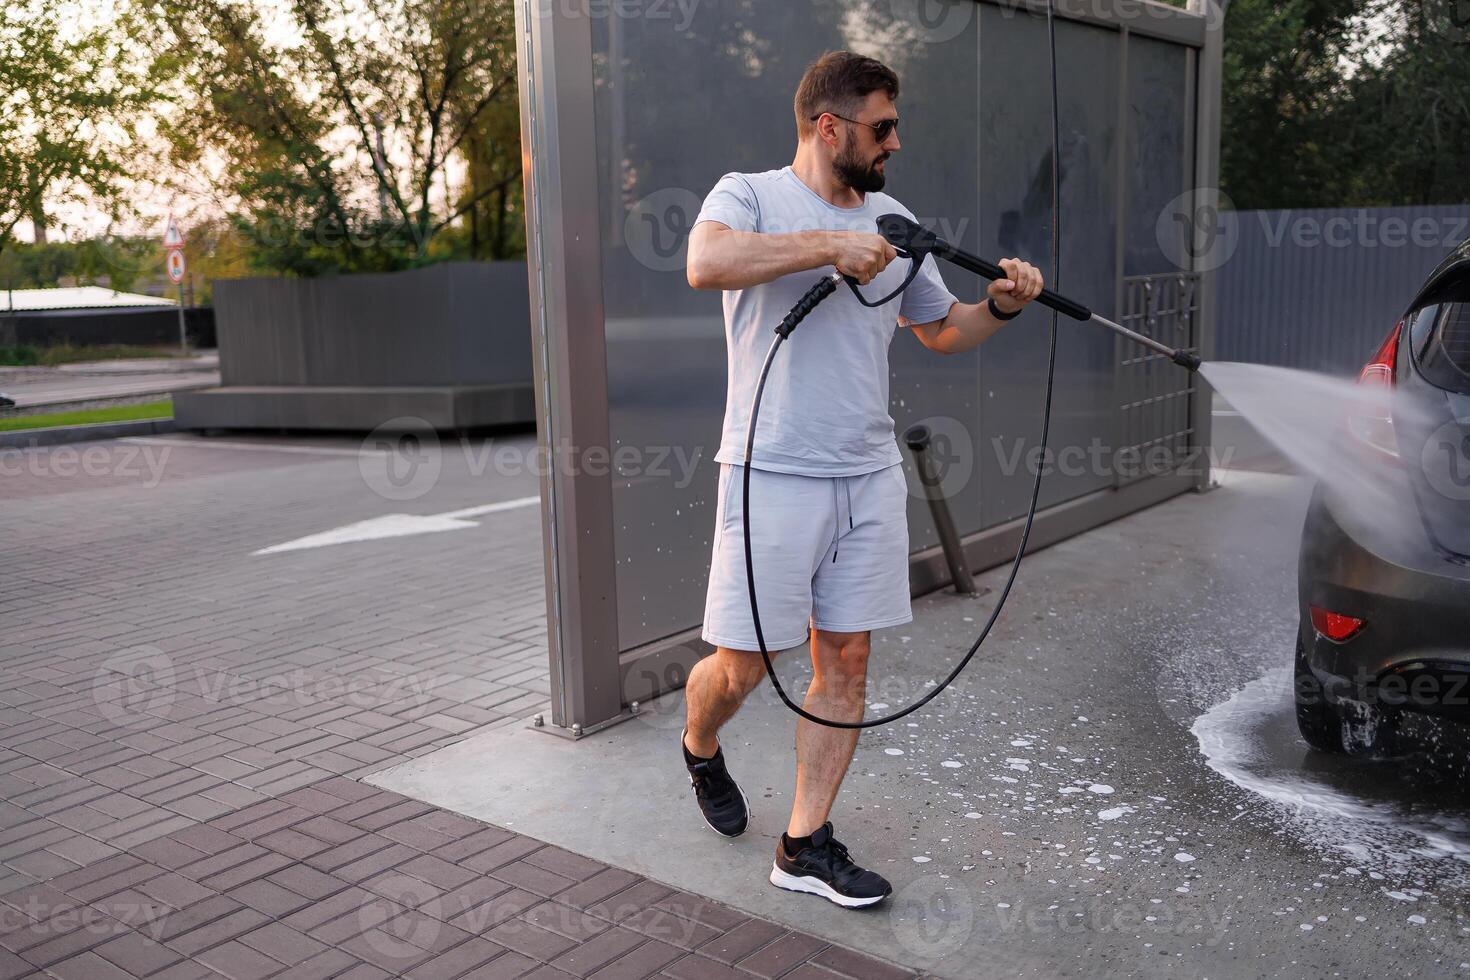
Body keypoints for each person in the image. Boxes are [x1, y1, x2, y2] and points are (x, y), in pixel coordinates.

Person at [680, 50, 1045, 908]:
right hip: (769, 473)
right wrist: (829, 246)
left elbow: (941, 330)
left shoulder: (895, 215)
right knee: (741, 667)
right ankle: (699, 745)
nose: (895, 142)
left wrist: (999, 306)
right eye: (883, 127)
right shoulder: (750, 193)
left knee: (845, 658)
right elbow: (705, 262)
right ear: (829, 126)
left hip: (867, 476)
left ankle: (803, 845)